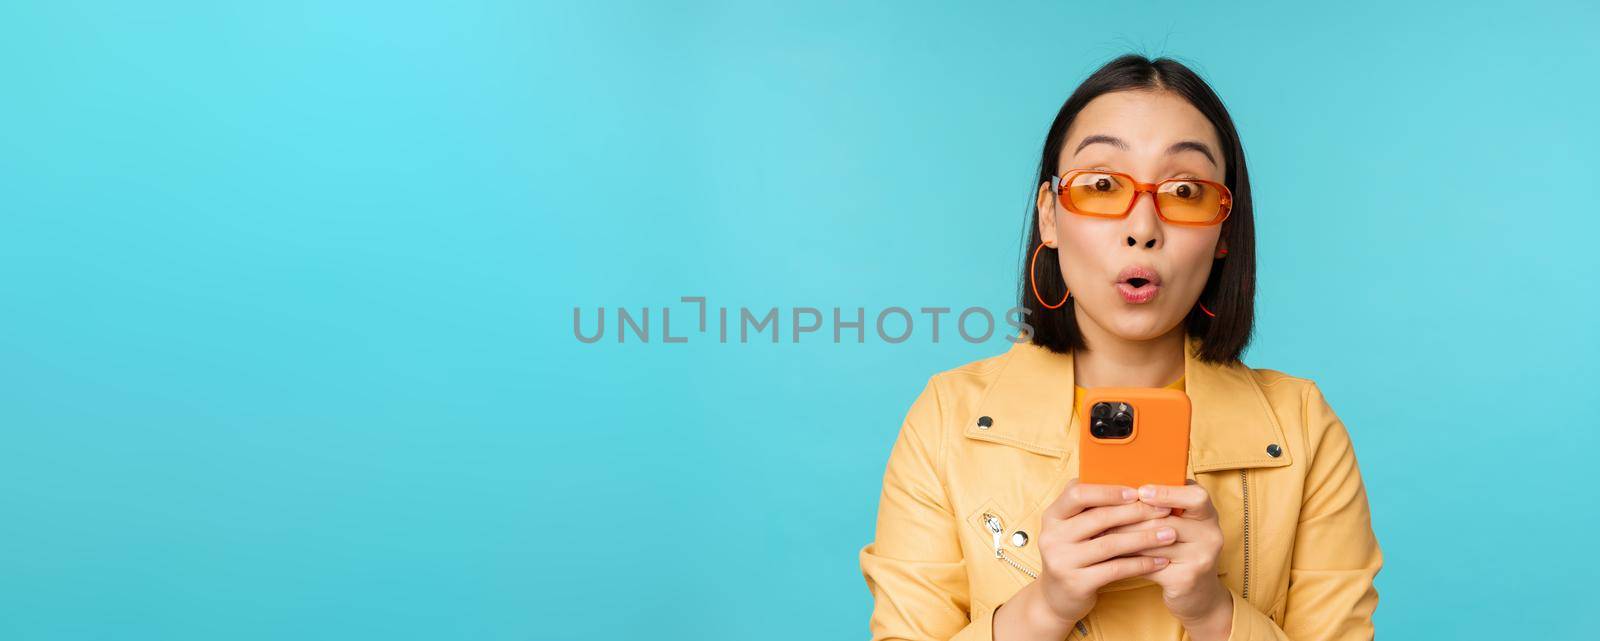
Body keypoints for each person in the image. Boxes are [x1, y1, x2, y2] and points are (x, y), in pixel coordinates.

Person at [858, 55, 1382, 641]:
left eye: (1185, 189)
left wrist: (1213, 613)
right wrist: (1045, 609)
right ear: (1050, 217)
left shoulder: (1302, 427)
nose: (1143, 226)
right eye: (1103, 185)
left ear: (1224, 234)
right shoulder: (946, 419)